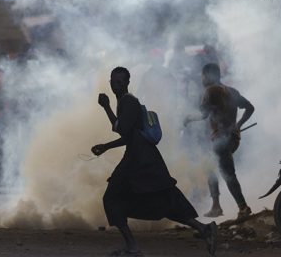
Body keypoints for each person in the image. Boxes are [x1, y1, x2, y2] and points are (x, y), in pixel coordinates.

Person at [92, 66, 217, 257]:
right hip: (143, 159)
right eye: (113, 81)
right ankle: (203, 229)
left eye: (119, 81)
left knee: (112, 198)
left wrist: (106, 107)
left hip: (139, 161)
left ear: (127, 83)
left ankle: (132, 247)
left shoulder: (129, 102)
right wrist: (106, 146)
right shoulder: (125, 102)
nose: (115, 85)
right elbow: (129, 136)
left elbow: (123, 130)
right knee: (163, 201)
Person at [184, 63, 254, 219]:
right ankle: (216, 206)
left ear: (208, 76)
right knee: (211, 168)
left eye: (203, 75)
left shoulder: (210, 91)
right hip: (233, 139)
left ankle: (243, 207)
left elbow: (202, 115)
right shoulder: (232, 91)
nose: (201, 79)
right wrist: (238, 124)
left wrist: (188, 119)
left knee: (228, 174)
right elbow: (250, 107)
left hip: (221, 140)